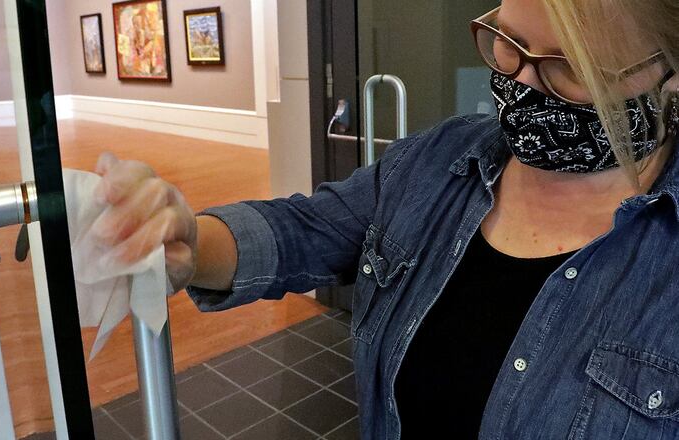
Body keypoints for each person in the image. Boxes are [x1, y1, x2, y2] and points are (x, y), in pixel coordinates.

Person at [89, 0, 679, 438]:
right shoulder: (436, 163)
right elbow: (306, 231)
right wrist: (189, 240)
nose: (521, 83)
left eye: (570, 67)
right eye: (507, 43)